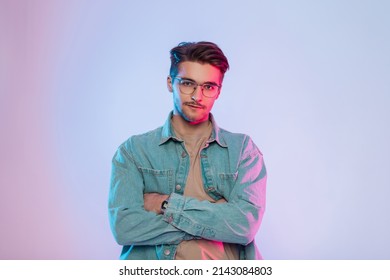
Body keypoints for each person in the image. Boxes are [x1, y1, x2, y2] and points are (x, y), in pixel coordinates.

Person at [108, 41, 267, 260]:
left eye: (208, 87)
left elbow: (244, 226)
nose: (197, 96)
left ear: (219, 91)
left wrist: (166, 204)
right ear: (170, 83)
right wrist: (217, 219)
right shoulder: (133, 152)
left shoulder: (242, 151)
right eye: (187, 83)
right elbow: (125, 228)